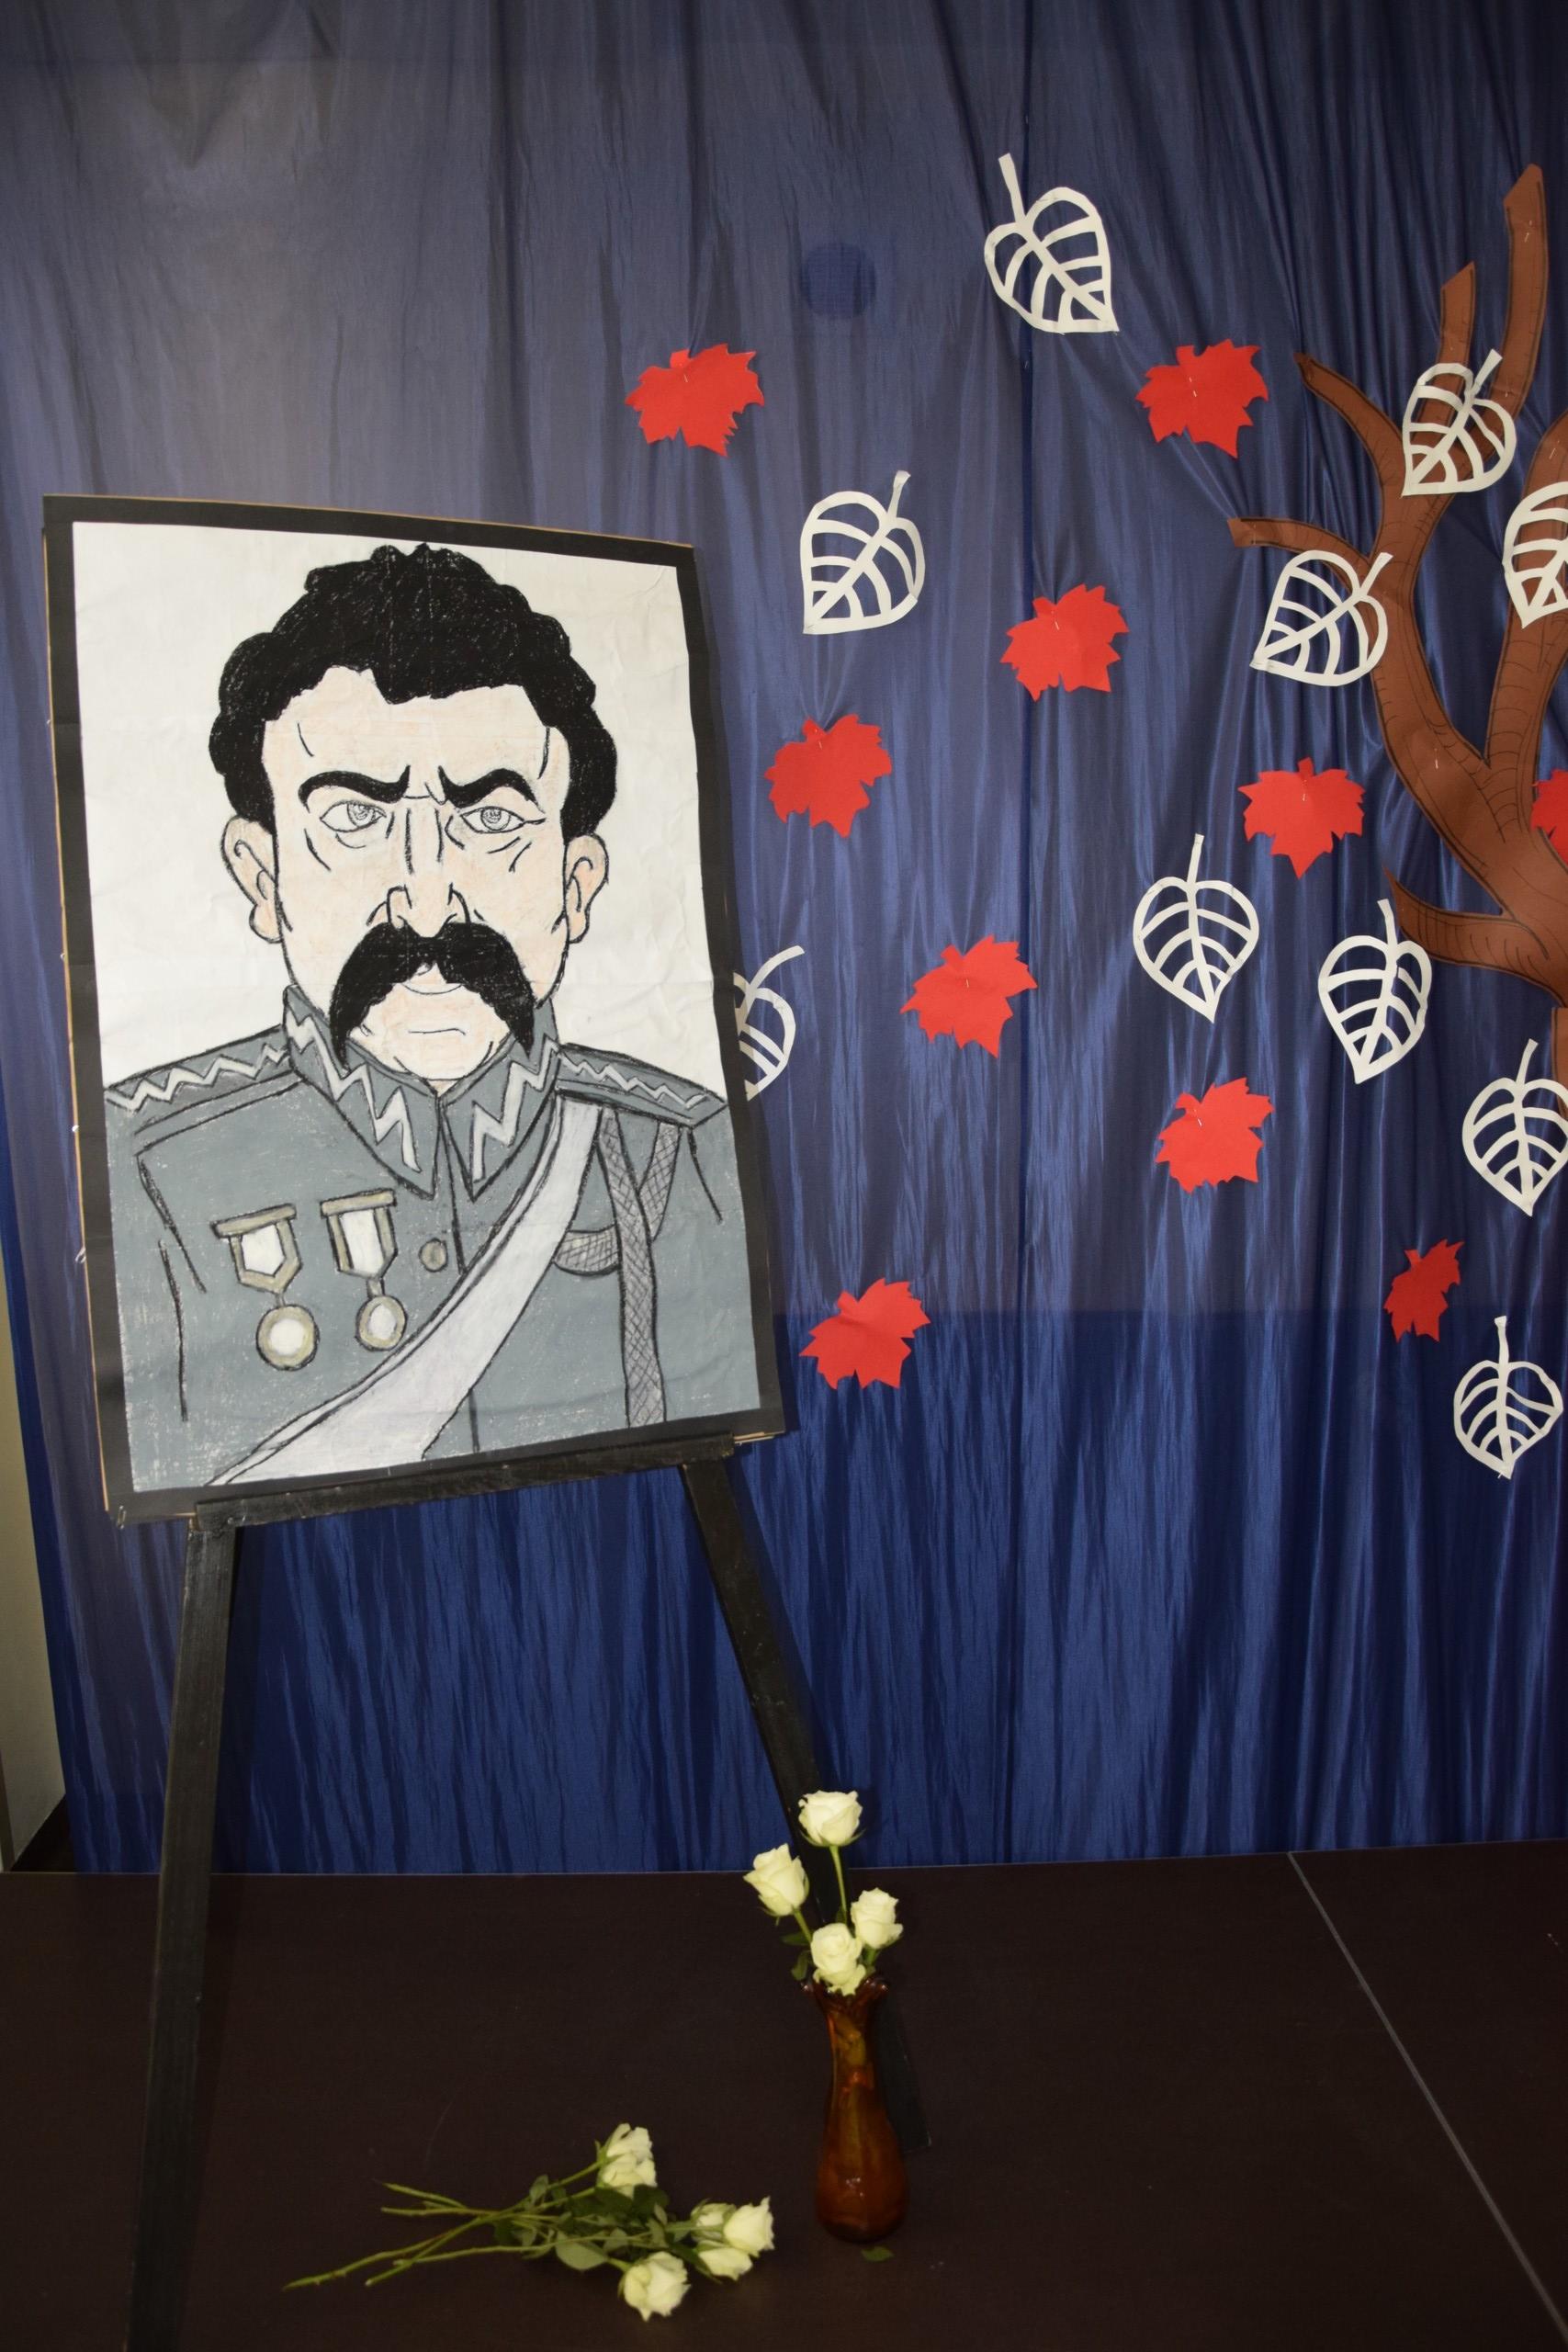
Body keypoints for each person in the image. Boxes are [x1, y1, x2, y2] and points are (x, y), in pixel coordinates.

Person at [103, 540, 761, 1495]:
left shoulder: (684, 1150)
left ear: (577, 883)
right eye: (353, 819)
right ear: (260, 874)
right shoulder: (143, 1168)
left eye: (490, 819)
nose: (423, 902)